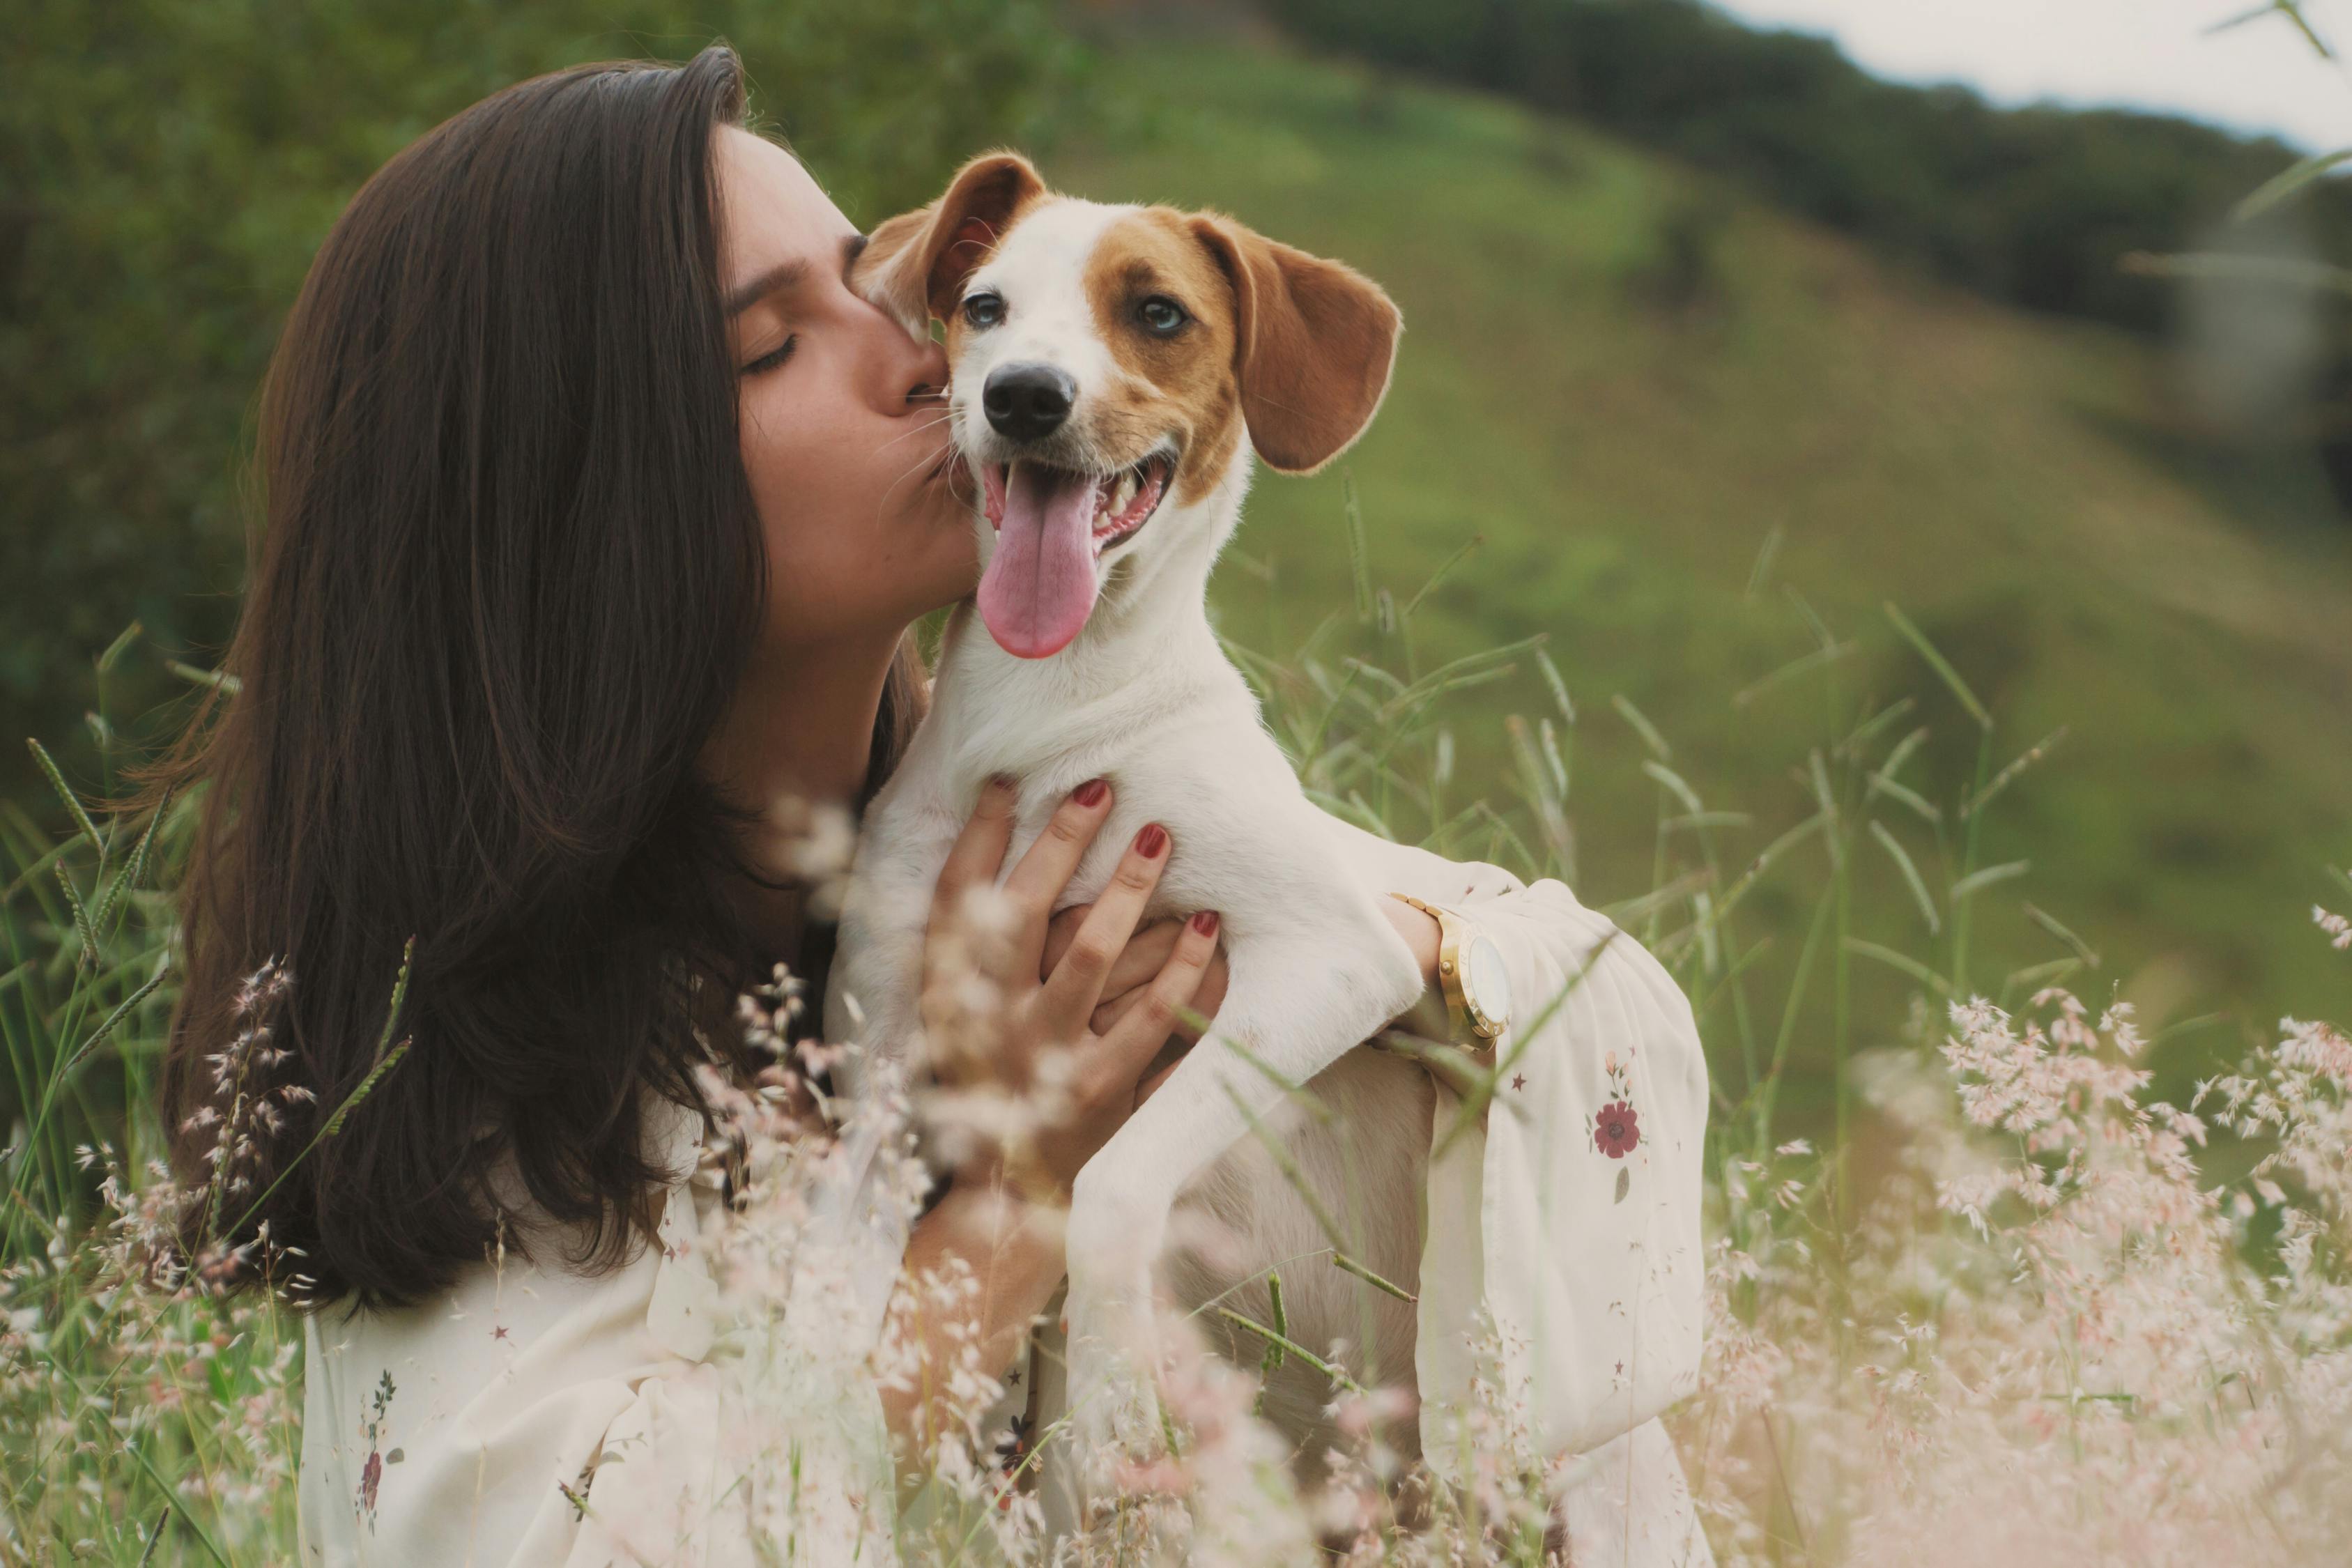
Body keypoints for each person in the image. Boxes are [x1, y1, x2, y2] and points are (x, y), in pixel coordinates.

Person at [157, 45, 1713, 1567]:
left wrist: (1275, 978)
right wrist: (1011, 1198)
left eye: (890, 282)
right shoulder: (481, 1102)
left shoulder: (1073, 812)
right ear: (581, 499)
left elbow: (1585, 999)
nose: (934, 358)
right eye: (770, 347)